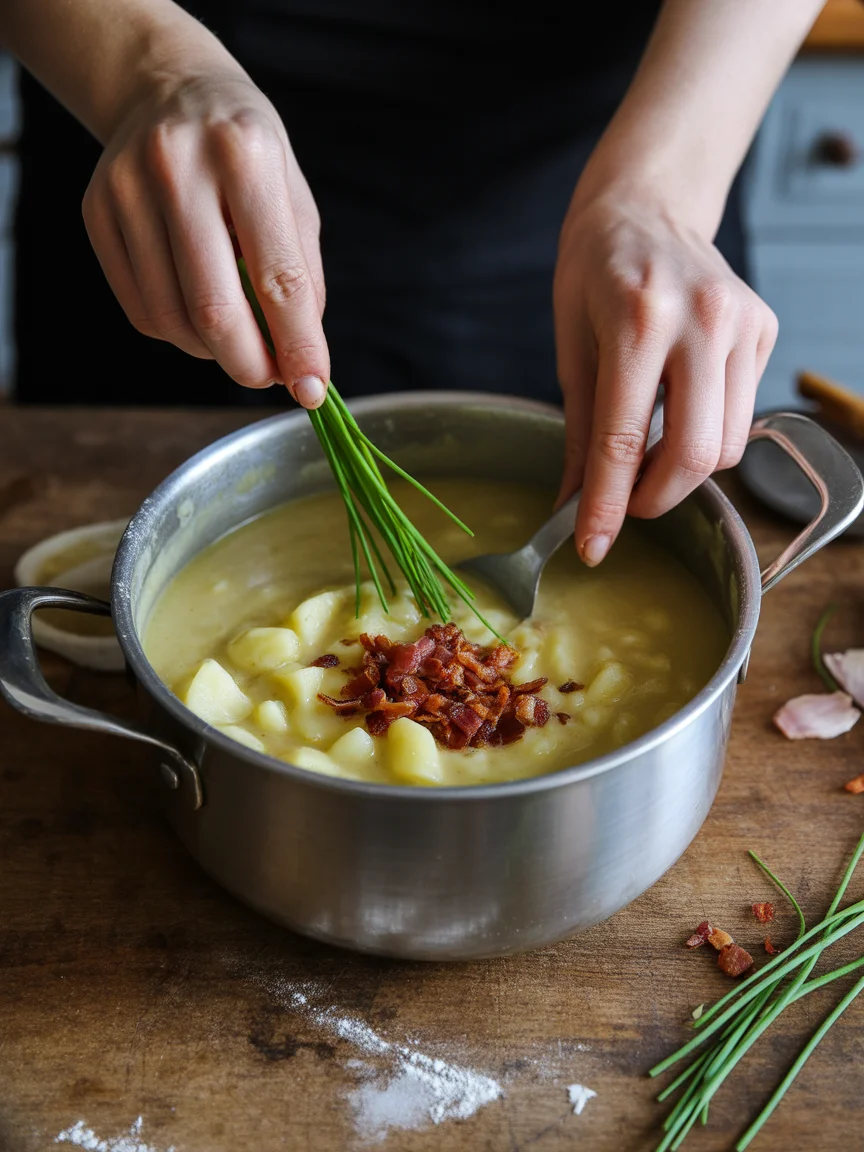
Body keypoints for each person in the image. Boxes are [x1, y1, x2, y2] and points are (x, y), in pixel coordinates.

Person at [1, 1, 823, 567]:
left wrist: (664, 194)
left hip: (624, 141)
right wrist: (147, 70)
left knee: (616, 467)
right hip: (157, 152)